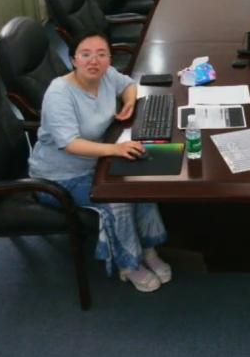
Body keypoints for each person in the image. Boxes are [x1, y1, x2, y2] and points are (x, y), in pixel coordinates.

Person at [28, 33, 173, 293]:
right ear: (74, 60)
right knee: (118, 199)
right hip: (59, 178)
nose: (94, 61)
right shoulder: (59, 93)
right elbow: (69, 143)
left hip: (96, 162)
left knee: (141, 181)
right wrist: (115, 149)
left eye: (101, 54)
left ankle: (148, 249)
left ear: (109, 58)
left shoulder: (106, 75)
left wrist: (129, 102)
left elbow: (129, 84)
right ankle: (129, 264)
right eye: (85, 54)